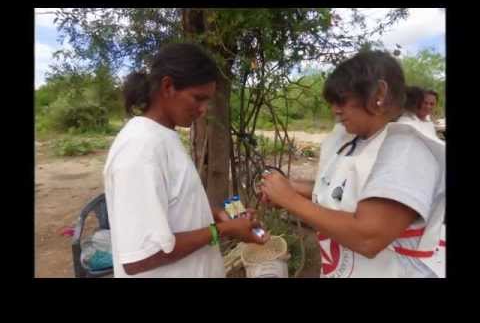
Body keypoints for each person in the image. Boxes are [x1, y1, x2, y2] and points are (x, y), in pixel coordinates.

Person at [259, 50, 445, 278]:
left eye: (342, 101)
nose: (335, 110)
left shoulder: (409, 149)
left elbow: (367, 237)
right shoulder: (355, 138)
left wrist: (290, 199)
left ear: (379, 93)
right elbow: (346, 191)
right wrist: (292, 189)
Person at [103, 43, 267, 278]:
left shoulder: (163, 137)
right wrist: (222, 230)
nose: (203, 110)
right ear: (168, 86)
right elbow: (140, 258)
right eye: (198, 99)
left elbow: (174, 205)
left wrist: (218, 214)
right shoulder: (140, 149)